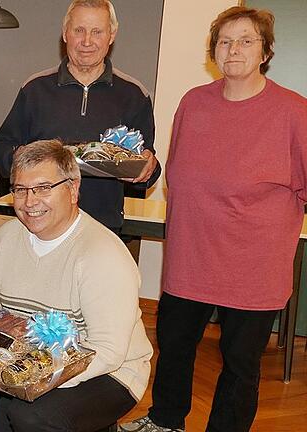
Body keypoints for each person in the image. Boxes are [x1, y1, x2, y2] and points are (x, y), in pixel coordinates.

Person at [119, 6, 307, 432]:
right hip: (190, 258)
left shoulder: (294, 112)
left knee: (240, 364)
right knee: (176, 347)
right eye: (224, 41)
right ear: (213, 52)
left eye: (246, 40)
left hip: (254, 267)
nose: (233, 49)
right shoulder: (193, 103)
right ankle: (166, 422)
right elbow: (180, 174)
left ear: (265, 52)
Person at [0, 140, 152, 432]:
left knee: (31, 418)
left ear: (73, 190)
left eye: (43, 188)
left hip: (108, 373)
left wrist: (28, 376)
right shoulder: (7, 236)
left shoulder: (102, 254)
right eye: (20, 189)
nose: (30, 202)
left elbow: (107, 351)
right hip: (30, 360)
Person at [0, 0, 160, 233]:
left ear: (112, 35)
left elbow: (148, 169)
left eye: (96, 32)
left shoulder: (135, 95)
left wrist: (148, 168)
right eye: (79, 30)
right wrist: (18, 159)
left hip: (103, 227)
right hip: (39, 224)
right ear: (65, 33)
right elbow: (1, 148)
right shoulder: (35, 89)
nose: (87, 41)